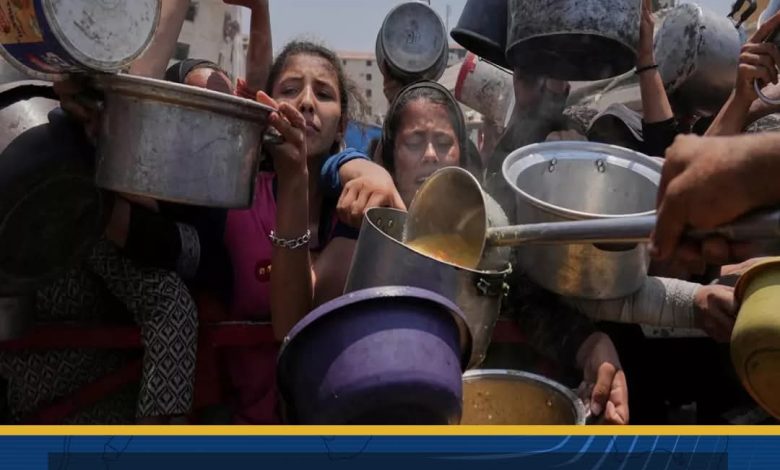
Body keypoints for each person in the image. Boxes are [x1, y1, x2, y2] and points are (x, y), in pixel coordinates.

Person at [377, 81, 482, 205]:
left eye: (443, 143)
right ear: (390, 158)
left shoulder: (489, 215)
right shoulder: (363, 216)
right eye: (414, 143)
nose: (430, 155)